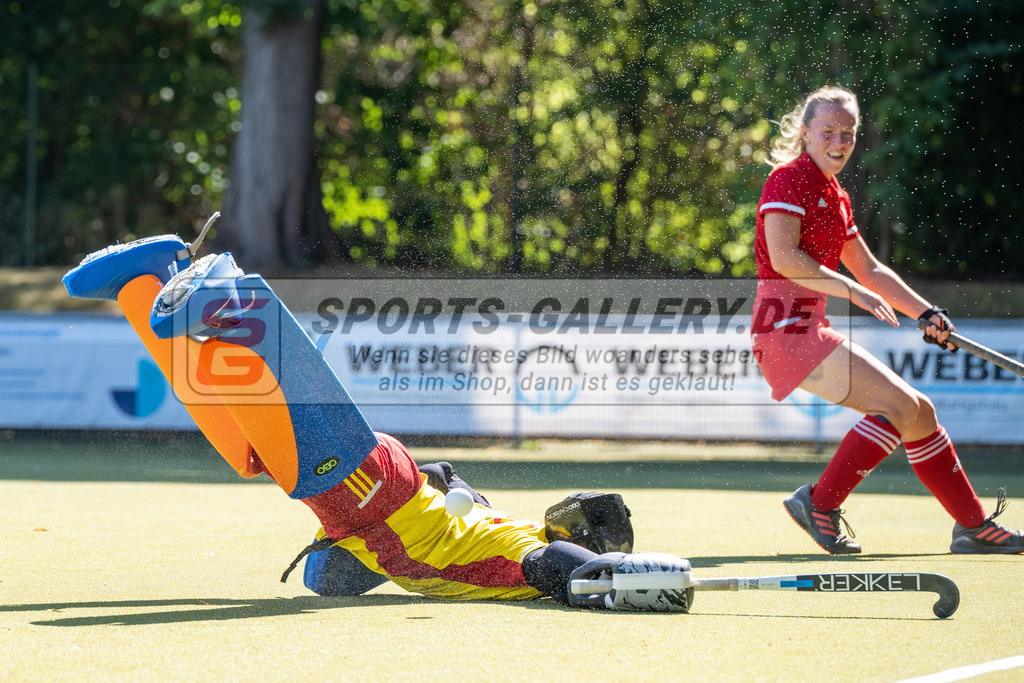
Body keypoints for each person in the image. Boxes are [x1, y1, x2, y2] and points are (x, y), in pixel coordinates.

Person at [62, 235, 694, 612]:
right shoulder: (518, 554)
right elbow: (556, 564)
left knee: (248, 442)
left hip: (381, 489)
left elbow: (337, 570)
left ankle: (139, 284)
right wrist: (609, 583)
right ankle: (229, 300)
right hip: (366, 499)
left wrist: (603, 574)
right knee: (287, 403)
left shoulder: (497, 525)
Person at [752, 85, 1023, 555]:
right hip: (784, 332)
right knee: (900, 407)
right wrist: (852, 291)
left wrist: (926, 313)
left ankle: (973, 527)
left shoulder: (836, 195)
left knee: (919, 413)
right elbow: (785, 257)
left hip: (809, 329)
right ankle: (819, 503)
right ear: (805, 132)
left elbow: (871, 269)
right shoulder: (787, 180)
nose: (839, 142)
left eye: (848, 133)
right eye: (828, 131)